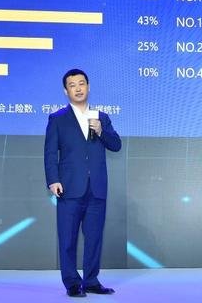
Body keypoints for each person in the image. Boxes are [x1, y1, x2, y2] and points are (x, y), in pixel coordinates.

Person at [44, 68, 122, 297]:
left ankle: (91, 281)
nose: (78, 88)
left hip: (97, 188)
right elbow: (50, 153)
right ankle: (71, 283)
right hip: (69, 188)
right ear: (65, 91)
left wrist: (102, 131)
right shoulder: (57, 118)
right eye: (72, 85)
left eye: (81, 84)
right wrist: (53, 180)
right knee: (67, 238)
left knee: (94, 238)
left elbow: (116, 145)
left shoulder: (101, 117)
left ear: (88, 87)